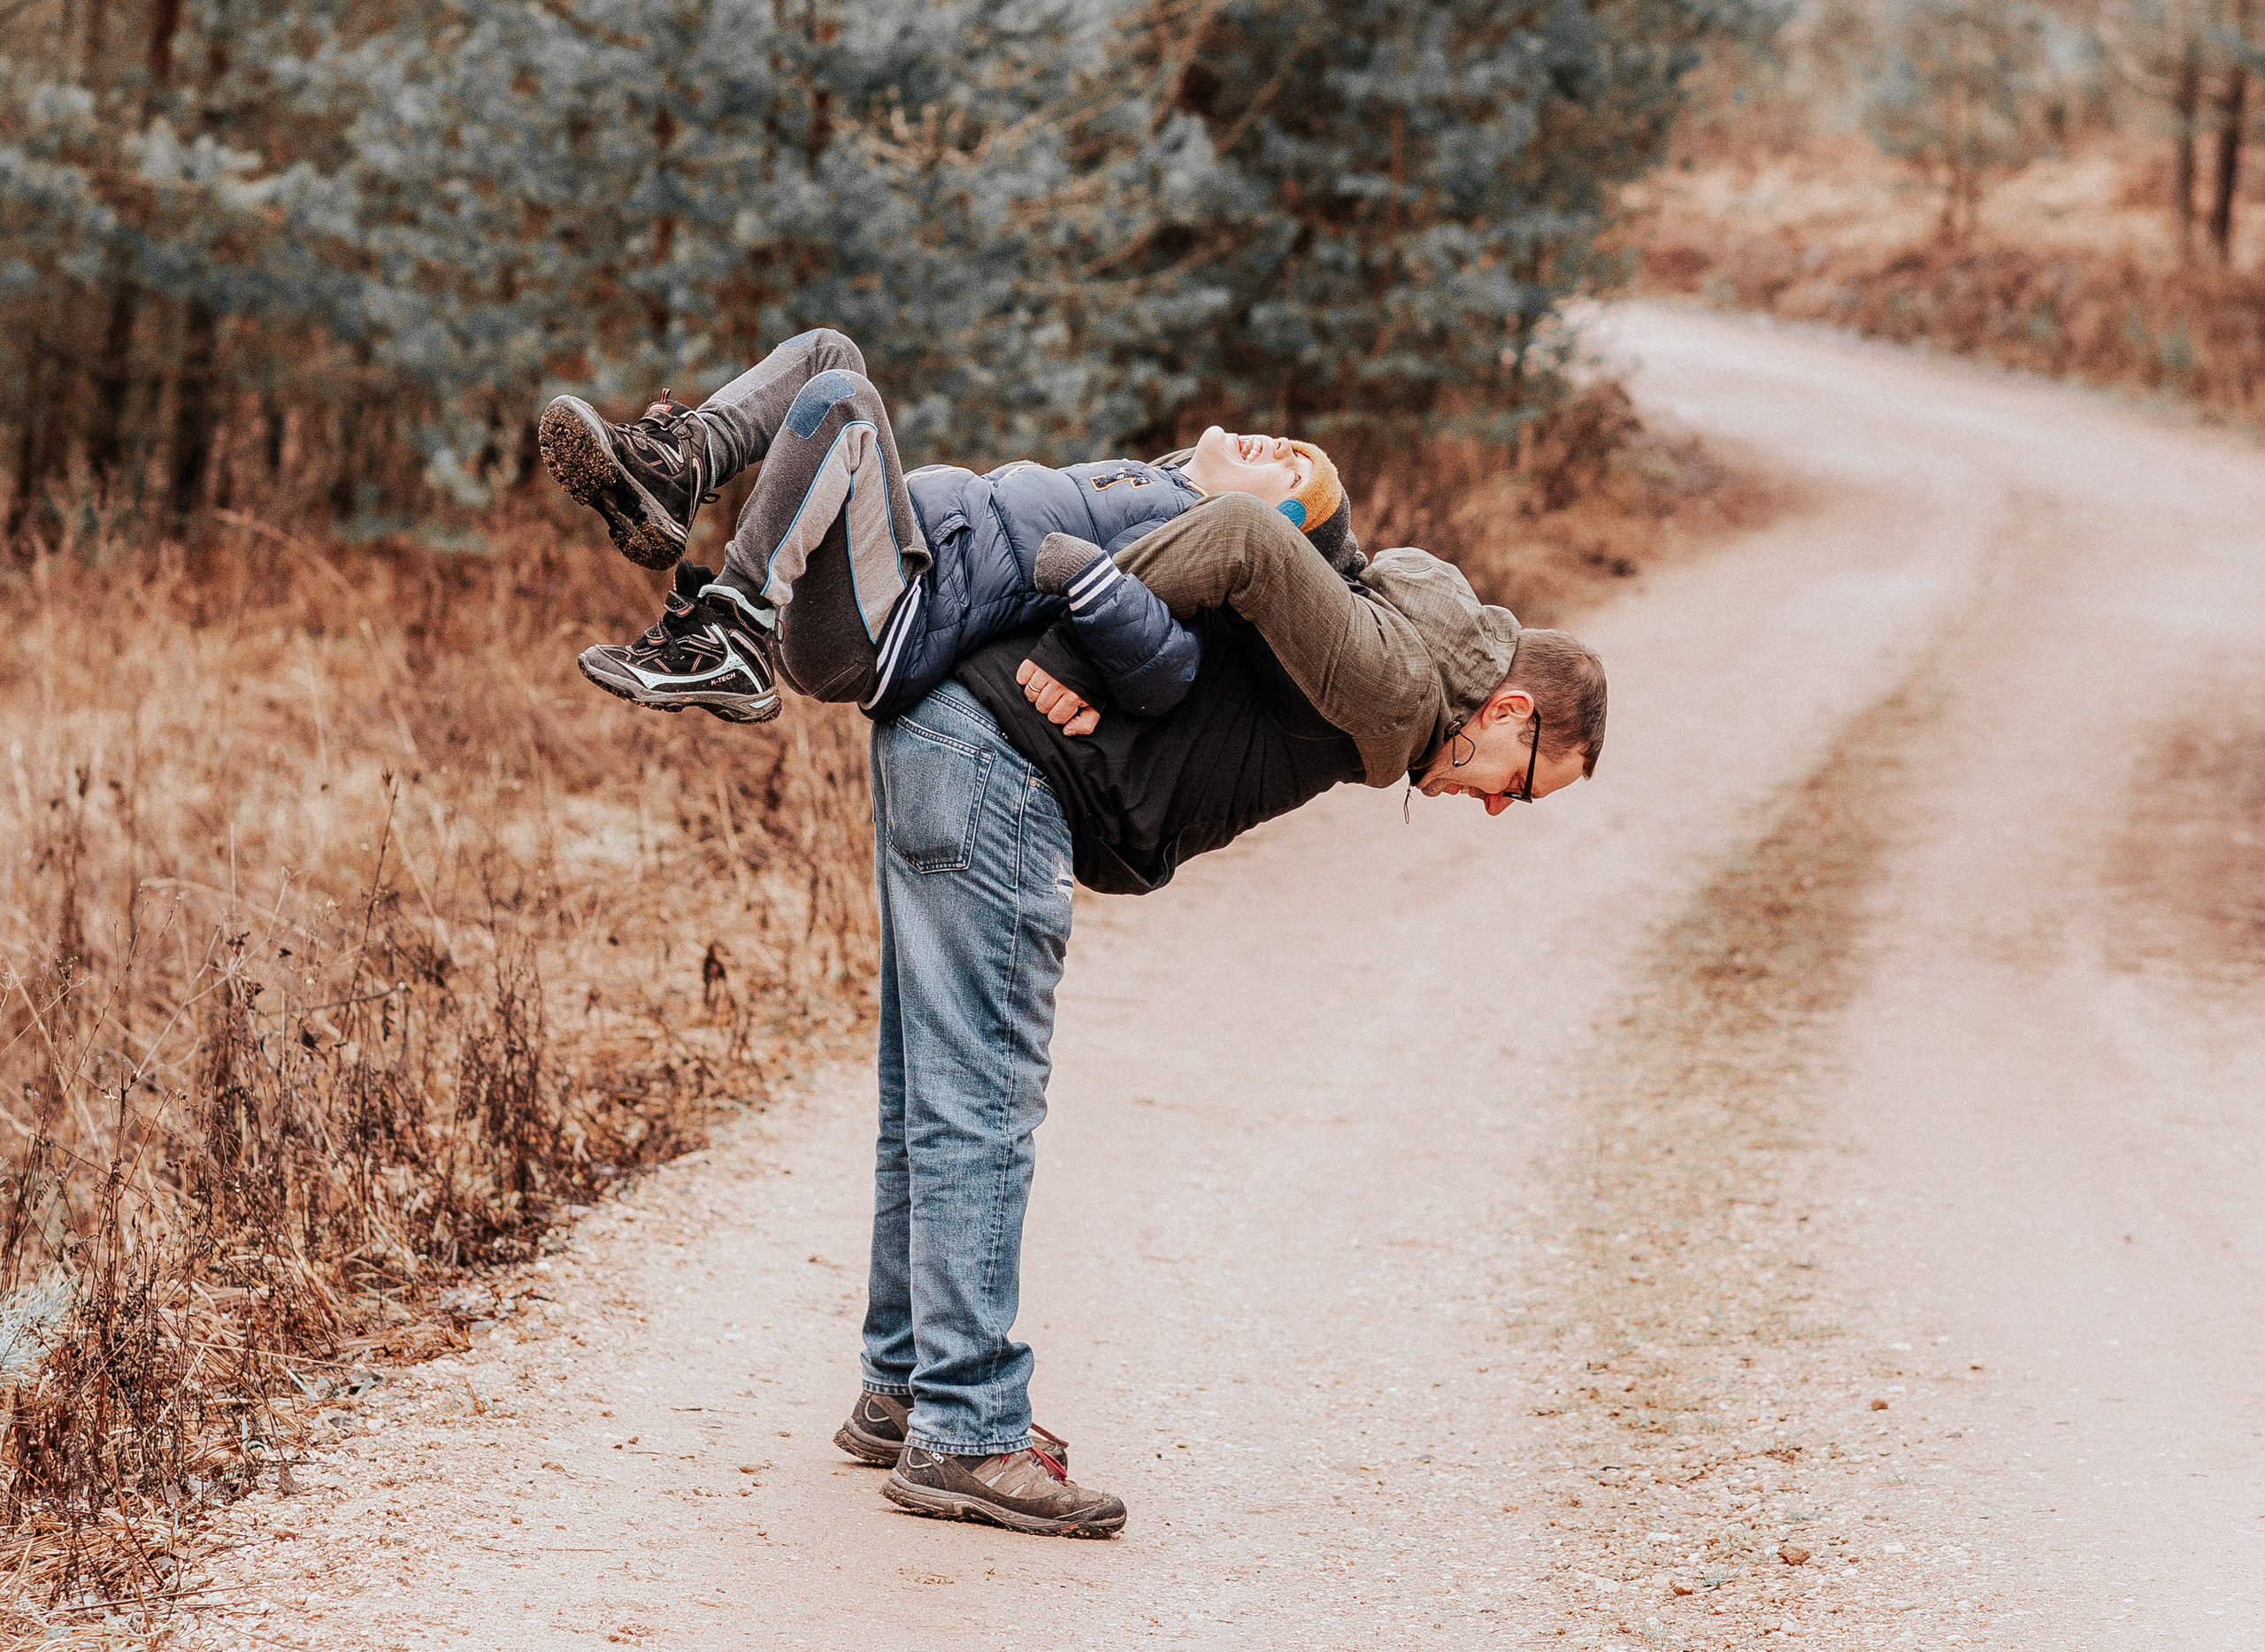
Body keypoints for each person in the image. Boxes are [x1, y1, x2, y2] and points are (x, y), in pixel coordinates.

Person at [537, 329, 1359, 726]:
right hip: (883, 580)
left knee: (845, 406)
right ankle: (676, 469)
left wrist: (1087, 576)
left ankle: (735, 633)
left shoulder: (1197, 543)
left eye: (1293, 469)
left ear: (1271, 522)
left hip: (892, 622)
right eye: (1294, 445)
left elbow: (1167, 672)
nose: (1279, 445)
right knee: (831, 352)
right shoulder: (1153, 483)